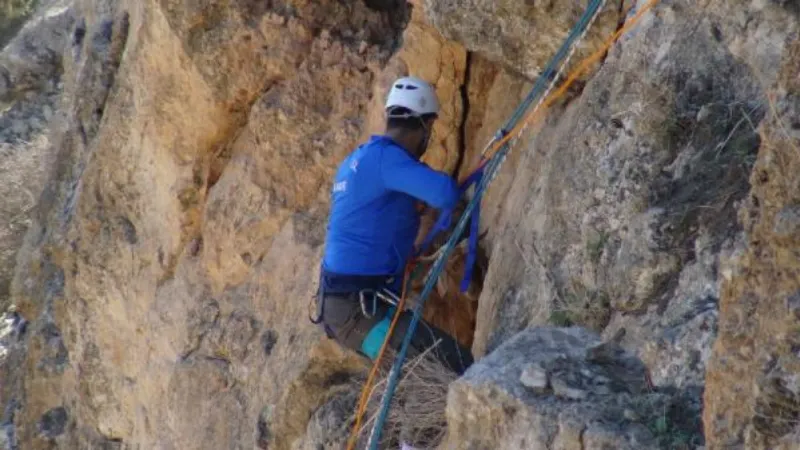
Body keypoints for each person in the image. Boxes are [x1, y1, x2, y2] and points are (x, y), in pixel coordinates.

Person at [311, 76, 474, 375]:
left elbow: (373, 222)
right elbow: (445, 193)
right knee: (459, 367)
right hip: (360, 312)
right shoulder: (388, 159)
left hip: (346, 306)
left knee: (428, 370)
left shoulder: (356, 160)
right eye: (431, 127)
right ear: (424, 125)